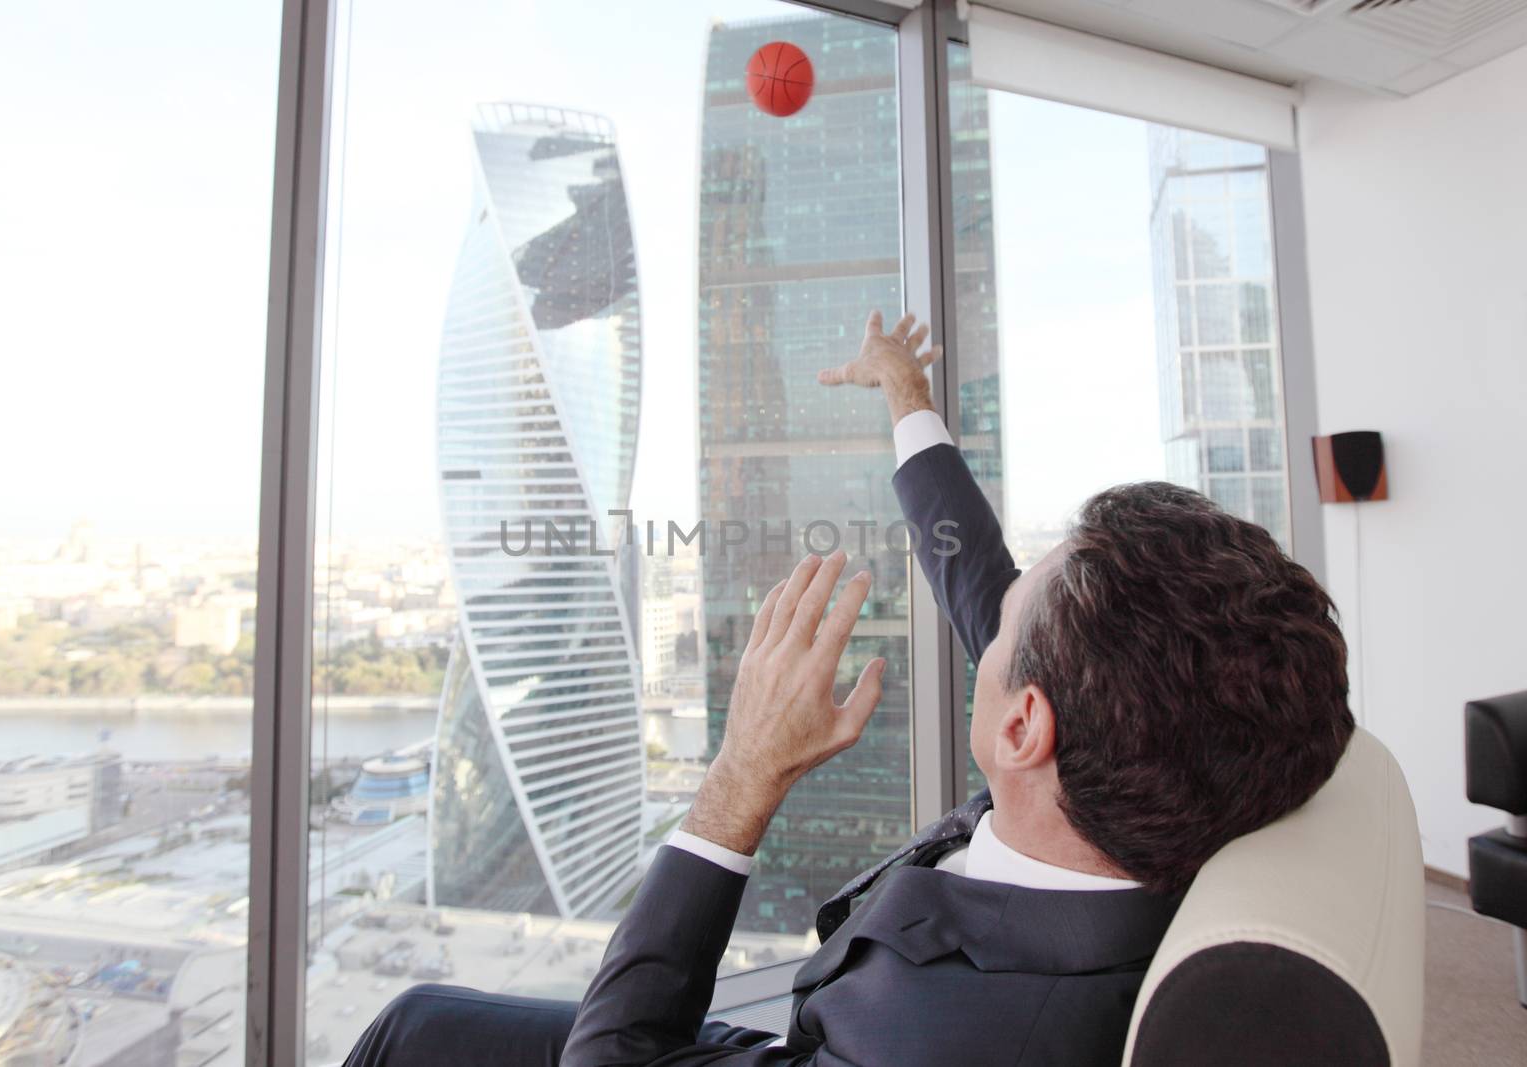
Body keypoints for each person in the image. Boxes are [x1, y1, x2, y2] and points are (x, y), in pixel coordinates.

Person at [343, 312, 1355, 1067]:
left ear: (1024, 724)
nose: (989, 617)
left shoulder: (940, 1040)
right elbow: (979, 582)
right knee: (423, 1018)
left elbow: (614, 1055)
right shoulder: (1160, 761)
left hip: (806, 1043)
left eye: (1007, 628)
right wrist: (904, 393)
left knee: (408, 1035)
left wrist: (741, 774)